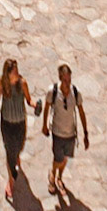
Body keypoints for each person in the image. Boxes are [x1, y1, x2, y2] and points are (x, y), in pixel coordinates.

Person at [42, 62, 89, 196]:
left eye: (69, 79)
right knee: (58, 159)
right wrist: (44, 125)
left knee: (65, 158)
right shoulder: (53, 91)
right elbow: (46, 108)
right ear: (60, 78)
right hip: (57, 132)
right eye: (65, 79)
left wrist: (85, 133)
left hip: (70, 133)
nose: (67, 83)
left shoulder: (75, 93)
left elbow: (81, 112)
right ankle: (52, 174)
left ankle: (59, 177)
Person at [0, 57, 33, 203]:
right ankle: (11, 180)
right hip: (7, 123)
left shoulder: (22, 84)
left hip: (20, 123)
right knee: (10, 151)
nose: (17, 73)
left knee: (19, 147)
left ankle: (16, 156)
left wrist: (35, 105)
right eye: (14, 71)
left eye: (17, 70)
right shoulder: (1, 83)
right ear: (8, 73)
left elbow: (29, 100)